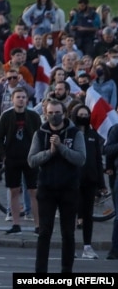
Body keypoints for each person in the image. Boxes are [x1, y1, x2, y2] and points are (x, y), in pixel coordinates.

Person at [29, 97, 86, 275]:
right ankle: (40, 272)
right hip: (46, 188)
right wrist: (50, 152)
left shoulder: (75, 133)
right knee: (44, 232)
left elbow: (80, 158)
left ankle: (66, 271)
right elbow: (32, 160)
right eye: (51, 113)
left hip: (69, 188)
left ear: (64, 113)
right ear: (45, 114)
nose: (54, 116)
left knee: (68, 233)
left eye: (57, 113)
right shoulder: (40, 134)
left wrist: (61, 148)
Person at [0, 86, 40, 234]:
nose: (21, 99)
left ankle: (38, 225)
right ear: (13, 99)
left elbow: (40, 136)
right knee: (14, 191)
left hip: (30, 158)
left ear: (27, 99)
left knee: (34, 191)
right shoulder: (7, 116)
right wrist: (4, 156)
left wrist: (38, 154)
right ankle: (15, 224)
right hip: (12, 158)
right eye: (18, 97)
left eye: (23, 97)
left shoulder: (33, 116)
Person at [70, 102, 104, 259]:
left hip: (90, 180)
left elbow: (98, 159)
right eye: (80, 115)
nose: (83, 117)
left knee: (88, 215)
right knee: (72, 214)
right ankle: (70, 246)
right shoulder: (70, 133)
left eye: (86, 115)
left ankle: (87, 247)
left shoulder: (93, 135)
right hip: (72, 180)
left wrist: (101, 184)